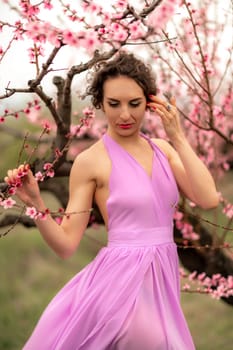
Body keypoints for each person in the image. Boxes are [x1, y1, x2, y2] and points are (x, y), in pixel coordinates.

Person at [5, 52, 219, 350]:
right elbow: (67, 245)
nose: (125, 115)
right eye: (113, 104)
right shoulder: (90, 161)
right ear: (100, 104)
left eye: (135, 103)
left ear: (150, 102)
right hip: (119, 280)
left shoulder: (164, 150)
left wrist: (178, 137)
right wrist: (38, 205)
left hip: (161, 274)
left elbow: (208, 199)